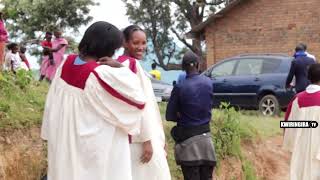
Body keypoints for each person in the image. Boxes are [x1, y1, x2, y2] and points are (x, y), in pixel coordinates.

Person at [41, 21, 146, 180]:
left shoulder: (66, 62)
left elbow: (51, 105)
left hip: (64, 143)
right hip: (91, 150)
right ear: (107, 49)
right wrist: (119, 67)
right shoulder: (100, 74)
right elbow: (138, 99)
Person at [117, 25, 171, 180]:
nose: (141, 47)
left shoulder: (125, 64)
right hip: (140, 140)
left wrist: (159, 138)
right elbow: (138, 106)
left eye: (144, 43)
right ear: (125, 43)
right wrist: (147, 140)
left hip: (139, 137)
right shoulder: (131, 66)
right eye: (136, 43)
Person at [166, 50, 216, 180]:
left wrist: (181, 114)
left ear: (183, 68)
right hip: (206, 142)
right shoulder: (208, 83)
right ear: (198, 65)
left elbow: (169, 116)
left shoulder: (179, 87)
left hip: (188, 145)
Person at [283, 63, 320, 180]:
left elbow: (287, 125)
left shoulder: (297, 99)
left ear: (308, 77)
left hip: (301, 152)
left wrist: (292, 145)